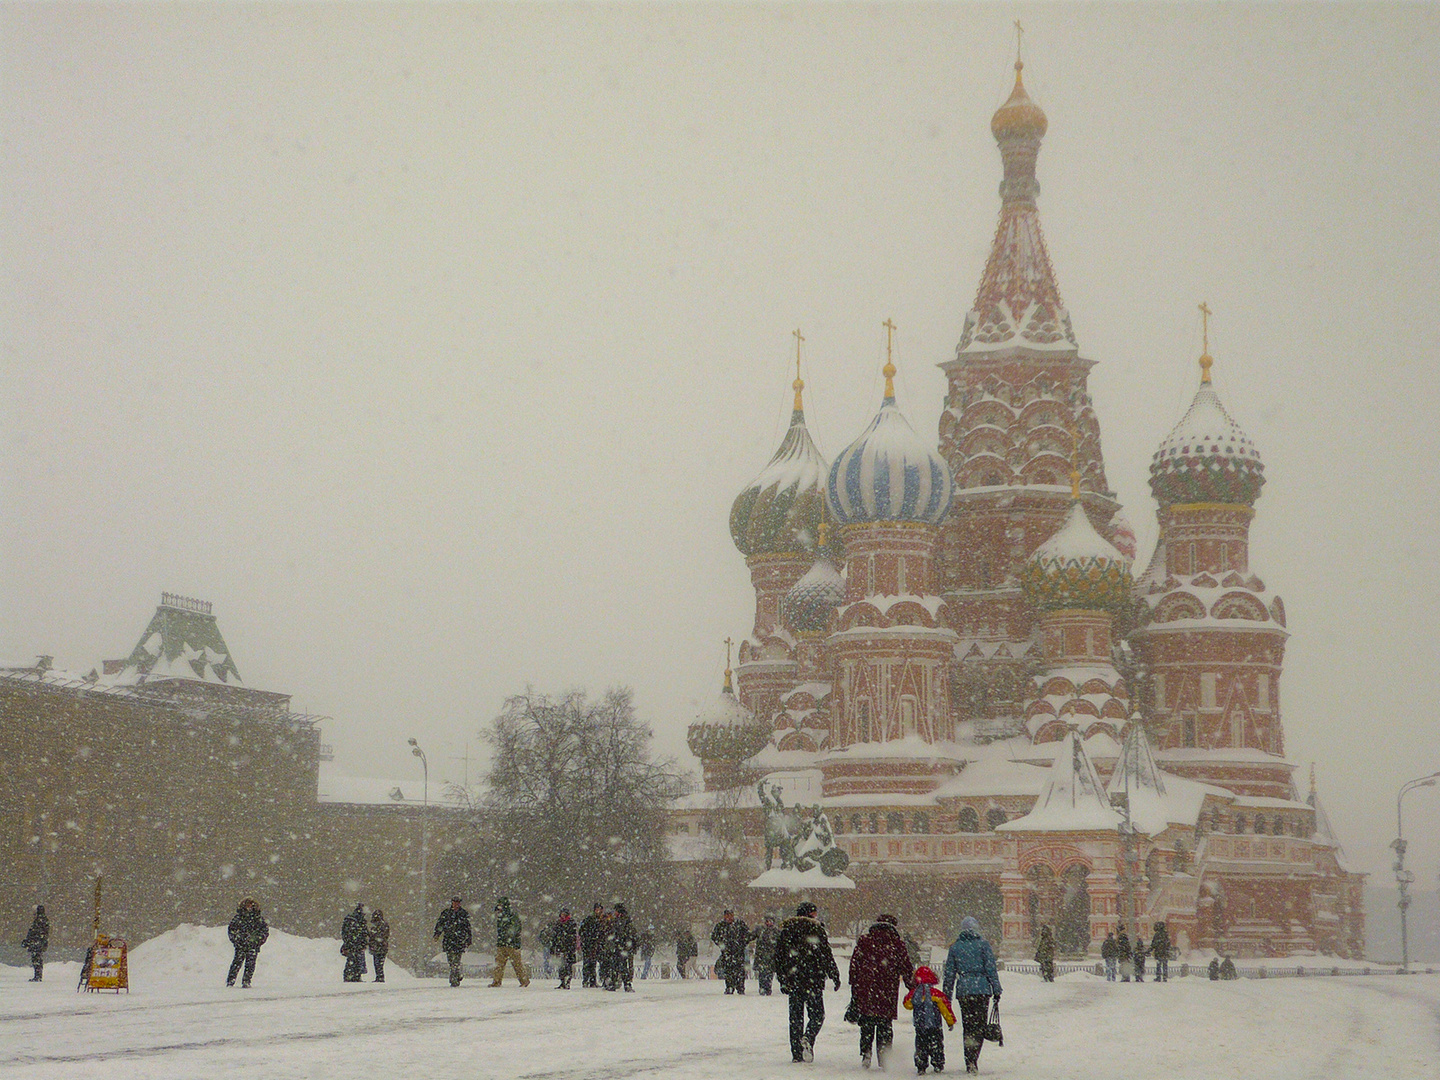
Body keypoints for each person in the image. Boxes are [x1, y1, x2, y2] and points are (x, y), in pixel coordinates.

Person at [775, 901, 841, 1064]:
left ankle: (797, 1054)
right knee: (817, 1015)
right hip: (814, 979)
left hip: (794, 979)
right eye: (814, 912)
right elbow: (826, 954)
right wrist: (834, 974)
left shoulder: (787, 930)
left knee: (795, 1018)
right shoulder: (817, 929)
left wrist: (783, 978)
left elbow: (779, 956)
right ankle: (808, 1038)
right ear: (810, 914)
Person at [849, 913, 916, 1070]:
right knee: (885, 1024)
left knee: (867, 1022)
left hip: (867, 987)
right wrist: (911, 986)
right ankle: (884, 1056)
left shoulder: (865, 940)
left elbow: (854, 964)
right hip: (887, 988)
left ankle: (866, 1052)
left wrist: (854, 983)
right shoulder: (896, 944)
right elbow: (906, 967)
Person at [942, 916, 1002, 1076]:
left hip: (964, 992)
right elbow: (991, 969)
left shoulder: (955, 947)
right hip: (982, 990)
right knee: (980, 1026)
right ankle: (974, 1057)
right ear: (976, 929)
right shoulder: (983, 945)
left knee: (968, 1026)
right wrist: (996, 989)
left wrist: (946, 995)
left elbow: (949, 974)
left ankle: (969, 1060)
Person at [903, 965, 956, 1075]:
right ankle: (938, 1063)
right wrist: (950, 1021)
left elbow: (907, 1004)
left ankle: (921, 1065)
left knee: (921, 1045)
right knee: (936, 1044)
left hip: (920, 1025)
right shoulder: (937, 994)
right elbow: (945, 1008)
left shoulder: (914, 994)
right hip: (935, 1025)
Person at [226, 897, 269, 988]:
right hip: (240, 945)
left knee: (250, 964)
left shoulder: (258, 918)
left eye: (251, 905)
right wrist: (237, 941)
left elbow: (264, 932)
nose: (249, 907)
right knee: (237, 963)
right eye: (247, 905)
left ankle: (246, 981)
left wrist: (257, 941)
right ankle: (231, 981)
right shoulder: (238, 918)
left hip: (253, 945)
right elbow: (231, 930)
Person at [433, 896, 473, 987]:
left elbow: (467, 927)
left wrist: (468, 939)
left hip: (459, 940)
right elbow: (440, 924)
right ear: (452, 903)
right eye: (455, 902)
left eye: (458, 902)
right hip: (449, 940)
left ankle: (454, 978)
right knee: (451, 961)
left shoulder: (463, 914)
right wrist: (437, 934)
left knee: (456, 960)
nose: (456, 904)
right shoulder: (446, 913)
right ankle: (456, 975)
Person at [711, 909, 752, 995]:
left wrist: (742, 943)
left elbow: (748, 935)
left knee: (740, 970)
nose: (729, 917)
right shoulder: (721, 926)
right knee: (728, 970)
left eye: (730, 915)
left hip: (739, 952)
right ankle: (729, 986)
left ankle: (740, 987)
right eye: (727, 915)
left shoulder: (740, 924)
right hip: (727, 952)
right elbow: (714, 936)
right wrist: (721, 944)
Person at [491, 896, 529, 987]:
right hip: (504, 943)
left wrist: (509, 938)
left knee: (516, 964)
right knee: (499, 964)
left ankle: (524, 981)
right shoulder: (505, 916)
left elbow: (516, 929)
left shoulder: (511, 916)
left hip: (511, 944)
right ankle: (497, 981)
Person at [546, 908, 580, 989]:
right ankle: (562, 981)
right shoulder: (558, 924)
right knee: (561, 966)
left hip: (568, 948)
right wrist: (553, 947)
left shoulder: (571, 923)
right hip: (560, 948)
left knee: (568, 965)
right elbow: (554, 936)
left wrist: (571, 946)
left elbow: (572, 937)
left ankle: (567, 981)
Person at [611, 902, 637, 992]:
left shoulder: (624, 921)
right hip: (620, 946)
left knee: (622, 966)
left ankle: (626, 983)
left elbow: (626, 934)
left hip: (622, 947)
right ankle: (616, 983)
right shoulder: (620, 920)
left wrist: (623, 943)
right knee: (616, 965)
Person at [753, 914, 780, 995]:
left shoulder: (776, 931)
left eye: (770, 921)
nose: (769, 923)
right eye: (767, 921)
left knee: (769, 974)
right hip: (762, 956)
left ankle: (767, 988)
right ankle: (762, 988)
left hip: (771, 957)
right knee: (762, 974)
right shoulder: (760, 930)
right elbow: (751, 936)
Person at [580, 903, 606, 988]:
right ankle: (586, 980)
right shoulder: (589, 920)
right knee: (588, 963)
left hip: (596, 945)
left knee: (593, 963)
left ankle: (592, 981)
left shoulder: (602, 920)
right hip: (589, 945)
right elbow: (582, 931)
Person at [341, 903, 369, 982]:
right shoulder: (357, 920)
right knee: (355, 960)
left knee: (353, 960)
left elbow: (346, 933)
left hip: (354, 944)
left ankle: (352, 976)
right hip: (356, 944)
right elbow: (362, 932)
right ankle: (354, 976)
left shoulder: (352, 919)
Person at [21, 905, 49, 983]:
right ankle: (38, 975)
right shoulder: (43, 920)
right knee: (37, 959)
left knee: (36, 959)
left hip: (37, 943)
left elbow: (34, 932)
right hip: (39, 943)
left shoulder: (39, 921)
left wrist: (28, 940)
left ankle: (37, 976)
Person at [369, 909, 391, 983]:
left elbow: (375, 936)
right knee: (379, 963)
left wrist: (373, 941)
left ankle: (379, 976)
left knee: (377, 963)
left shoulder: (377, 926)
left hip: (378, 947)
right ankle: (380, 976)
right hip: (382, 947)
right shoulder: (384, 925)